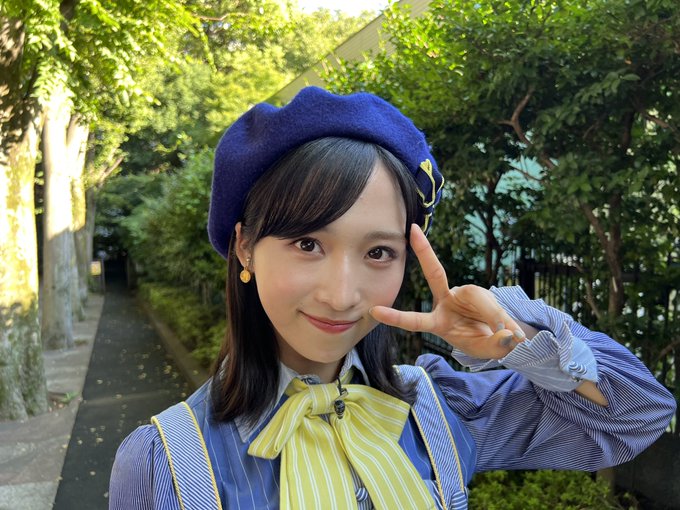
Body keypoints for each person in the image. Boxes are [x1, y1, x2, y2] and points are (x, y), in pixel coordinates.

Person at [109, 86, 676, 510]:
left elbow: (636, 417)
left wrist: (520, 340)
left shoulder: (440, 410)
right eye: (308, 243)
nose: (341, 295)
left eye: (379, 252)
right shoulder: (166, 463)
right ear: (245, 248)